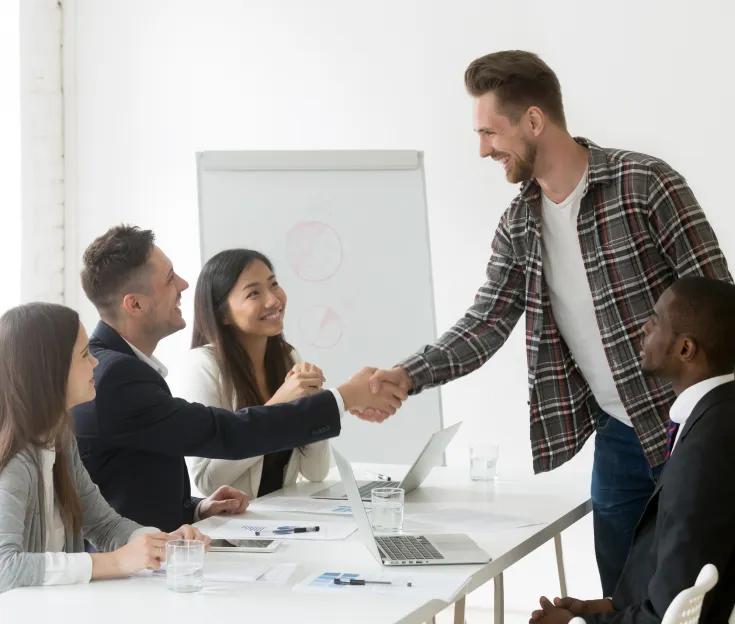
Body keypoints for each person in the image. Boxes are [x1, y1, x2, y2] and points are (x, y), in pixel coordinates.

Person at [360, 50, 733, 594]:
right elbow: (487, 319)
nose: (483, 149)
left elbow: (718, 300)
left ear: (534, 120)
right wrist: (410, 374)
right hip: (618, 435)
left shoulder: (645, 183)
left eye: (490, 132)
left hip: (693, 429)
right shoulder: (520, 223)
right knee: (620, 598)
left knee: (698, 596)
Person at [72, 225, 405, 532]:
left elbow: (133, 485)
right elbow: (227, 434)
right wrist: (342, 397)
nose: (185, 285)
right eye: (170, 277)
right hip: (136, 569)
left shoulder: (124, 367)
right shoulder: (117, 375)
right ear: (135, 304)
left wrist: (197, 509)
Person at [529, 276, 735, 623]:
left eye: (655, 322)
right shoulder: (716, 416)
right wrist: (602, 607)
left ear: (686, 349)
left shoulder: (703, 453)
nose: (643, 328)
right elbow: (678, 576)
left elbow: (665, 617)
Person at [0, 303, 208, 593]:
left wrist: (165, 544)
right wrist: (117, 562)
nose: (96, 363)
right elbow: (4, 568)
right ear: (50, 371)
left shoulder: (60, 440)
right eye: (85, 355)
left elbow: (105, 525)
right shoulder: (12, 460)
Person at [168, 249, 329, 499]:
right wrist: (279, 406)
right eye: (254, 293)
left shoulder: (288, 358)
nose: (274, 300)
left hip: (281, 523)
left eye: (273, 285)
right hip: (228, 533)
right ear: (223, 314)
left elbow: (316, 472)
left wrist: (315, 406)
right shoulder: (201, 366)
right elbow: (206, 482)